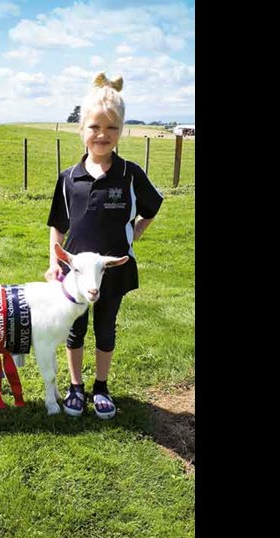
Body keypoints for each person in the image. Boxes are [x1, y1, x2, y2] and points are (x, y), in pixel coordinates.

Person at [44, 73, 164, 419]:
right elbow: (58, 224)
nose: (102, 135)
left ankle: (101, 387)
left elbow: (152, 207)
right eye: (95, 126)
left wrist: (135, 232)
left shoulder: (129, 173)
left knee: (105, 327)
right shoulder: (68, 178)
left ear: (121, 131)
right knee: (74, 329)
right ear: (82, 129)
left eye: (112, 128)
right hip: (75, 275)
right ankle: (76, 387)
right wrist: (55, 262)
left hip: (114, 271)